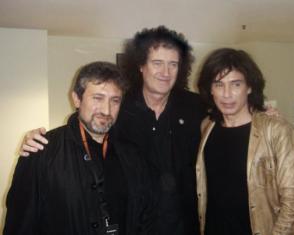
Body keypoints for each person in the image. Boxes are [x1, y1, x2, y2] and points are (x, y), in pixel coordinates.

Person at [18, 26, 207, 235]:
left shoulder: (196, 107)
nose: (165, 72)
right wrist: (37, 142)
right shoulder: (120, 107)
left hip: (184, 225)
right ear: (141, 65)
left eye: (173, 64)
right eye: (157, 63)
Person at [4, 61, 153, 235]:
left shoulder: (132, 155)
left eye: (115, 100)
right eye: (98, 98)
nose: (106, 110)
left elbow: (144, 218)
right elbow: (20, 225)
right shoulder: (41, 151)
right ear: (76, 99)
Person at [196, 48, 294, 235]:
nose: (227, 94)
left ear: (249, 87)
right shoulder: (206, 127)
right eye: (218, 84)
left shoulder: (277, 131)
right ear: (210, 89)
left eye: (235, 84)